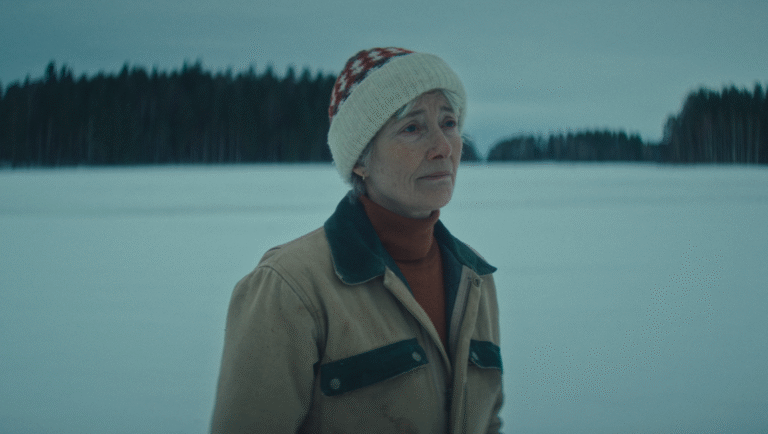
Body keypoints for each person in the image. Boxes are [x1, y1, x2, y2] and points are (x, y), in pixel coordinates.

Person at [211, 47, 503, 433]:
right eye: (412, 128)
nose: (443, 147)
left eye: (449, 123)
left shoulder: (475, 277)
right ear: (361, 161)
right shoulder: (291, 287)